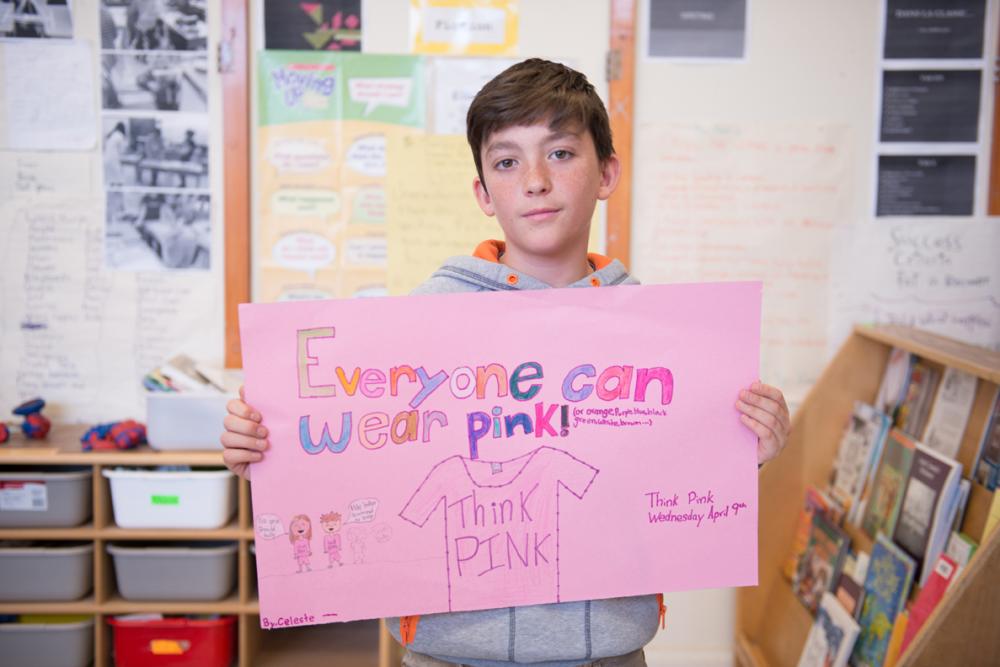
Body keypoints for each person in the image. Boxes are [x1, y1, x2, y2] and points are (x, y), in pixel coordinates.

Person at [221, 59, 790, 667]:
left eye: (562, 153)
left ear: (607, 172)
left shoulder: (660, 340)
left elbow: (667, 481)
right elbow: (347, 461)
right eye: (507, 161)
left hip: (608, 653)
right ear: (483, 193)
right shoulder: (415, 328)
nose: (536, 180)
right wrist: (260, 446)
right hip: (449, 654)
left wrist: (741, 448)